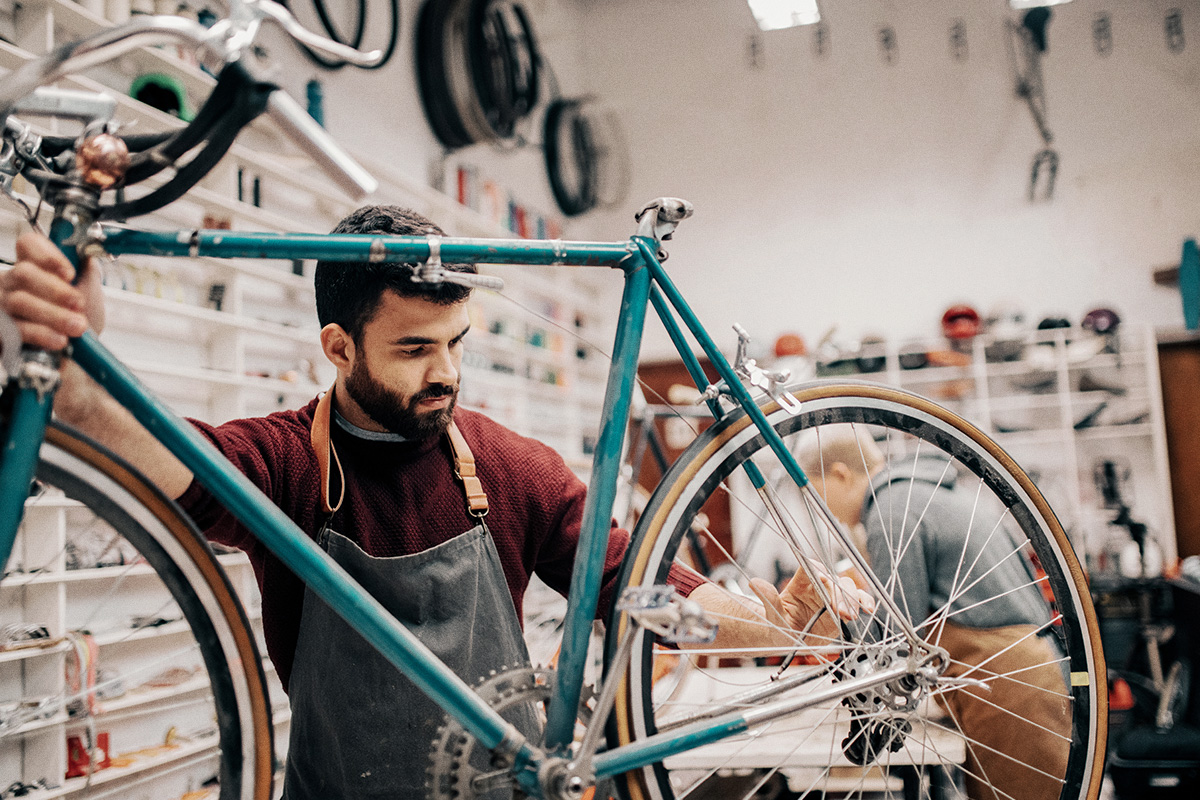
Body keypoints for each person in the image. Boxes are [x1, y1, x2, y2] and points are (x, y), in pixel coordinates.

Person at [1, 206, 871, 799]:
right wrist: (76, 374)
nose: (447, 373)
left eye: (457, 343)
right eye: (415, 349)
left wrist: (777, 624)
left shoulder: (507, 466)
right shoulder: (287, 463)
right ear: (339, 347)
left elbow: (633, 583)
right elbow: (166, 459)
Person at [795, 424, 1071, 800]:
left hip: (1008, 684)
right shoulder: (918, 493)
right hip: (1020, 672)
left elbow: (896, 636)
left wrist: (835, 620)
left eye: (817, 494)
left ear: (841, 474)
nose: (823, 511)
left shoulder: (891, 509)